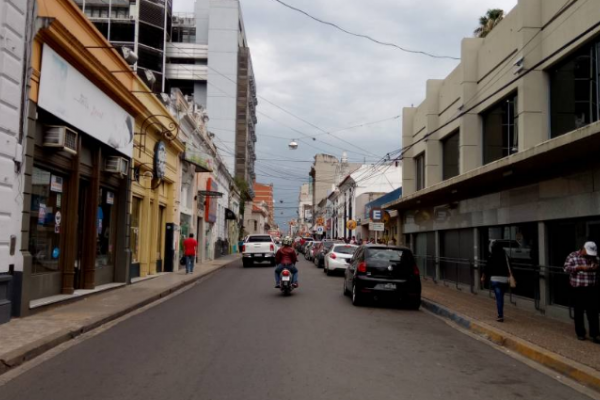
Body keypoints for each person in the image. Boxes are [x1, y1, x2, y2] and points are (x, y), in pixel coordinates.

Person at [564, 242, 600, 342]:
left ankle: (595, 334)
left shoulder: (595, 257)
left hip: (592, 287)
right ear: (583, 248)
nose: (590, 255)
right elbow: (566, 269)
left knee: (593, 312)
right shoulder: (573, 256)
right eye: (588, 252)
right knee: (578, 312)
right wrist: (579, 268)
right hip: (577, 288)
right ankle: (580, 333)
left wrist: (597, 268)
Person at [481, 241, 511, 322]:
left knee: (499, 298)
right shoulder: (505, 256)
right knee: (501, 297)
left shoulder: (491, 256)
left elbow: (487, 268)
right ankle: (500, 313)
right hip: (504, 280)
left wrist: (483, 276)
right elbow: (510, 266)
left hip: (495, 280)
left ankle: (500, 315)